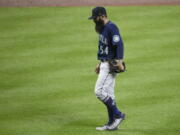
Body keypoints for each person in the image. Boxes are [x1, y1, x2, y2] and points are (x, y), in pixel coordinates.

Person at [88, 7, 125, 131]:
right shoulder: (103, 29)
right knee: (109, 93)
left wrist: (119, 61)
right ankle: (111, 123)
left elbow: (119, 44)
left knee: (99, 92)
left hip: (110, 65)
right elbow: (106, 48)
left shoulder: (111, 27)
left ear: (102, 15)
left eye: (95, 18)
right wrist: (99, 63)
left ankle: (118, 114)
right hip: (104, 63)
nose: (94, 20)